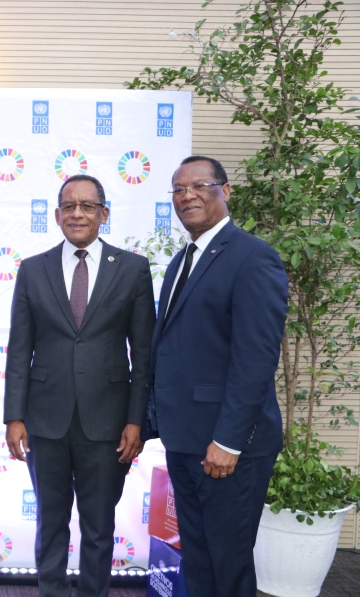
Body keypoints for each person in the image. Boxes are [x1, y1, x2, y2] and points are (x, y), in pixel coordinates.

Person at [3, 175, 155, 597]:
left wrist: (136, 421)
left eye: (87, 206)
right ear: (56, 215)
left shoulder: (132, 268)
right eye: (69, 206)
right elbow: (20, 348)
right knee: (50, 522)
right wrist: (14, 416)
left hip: (108, 422)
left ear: (103, 214)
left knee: (99, 526)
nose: (77, 213)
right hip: (44, 420)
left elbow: (144, 354)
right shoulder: (33, 269)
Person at [145, 156, 287, 597]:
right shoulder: (181, 262)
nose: (187, 195)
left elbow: (256, 360)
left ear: (225, 191)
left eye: (199, 185)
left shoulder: (253, 257)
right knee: (200, 562)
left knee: (228, 566)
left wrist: (228, 441)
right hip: (185, 441)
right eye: (178, 189)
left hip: (227, 448)